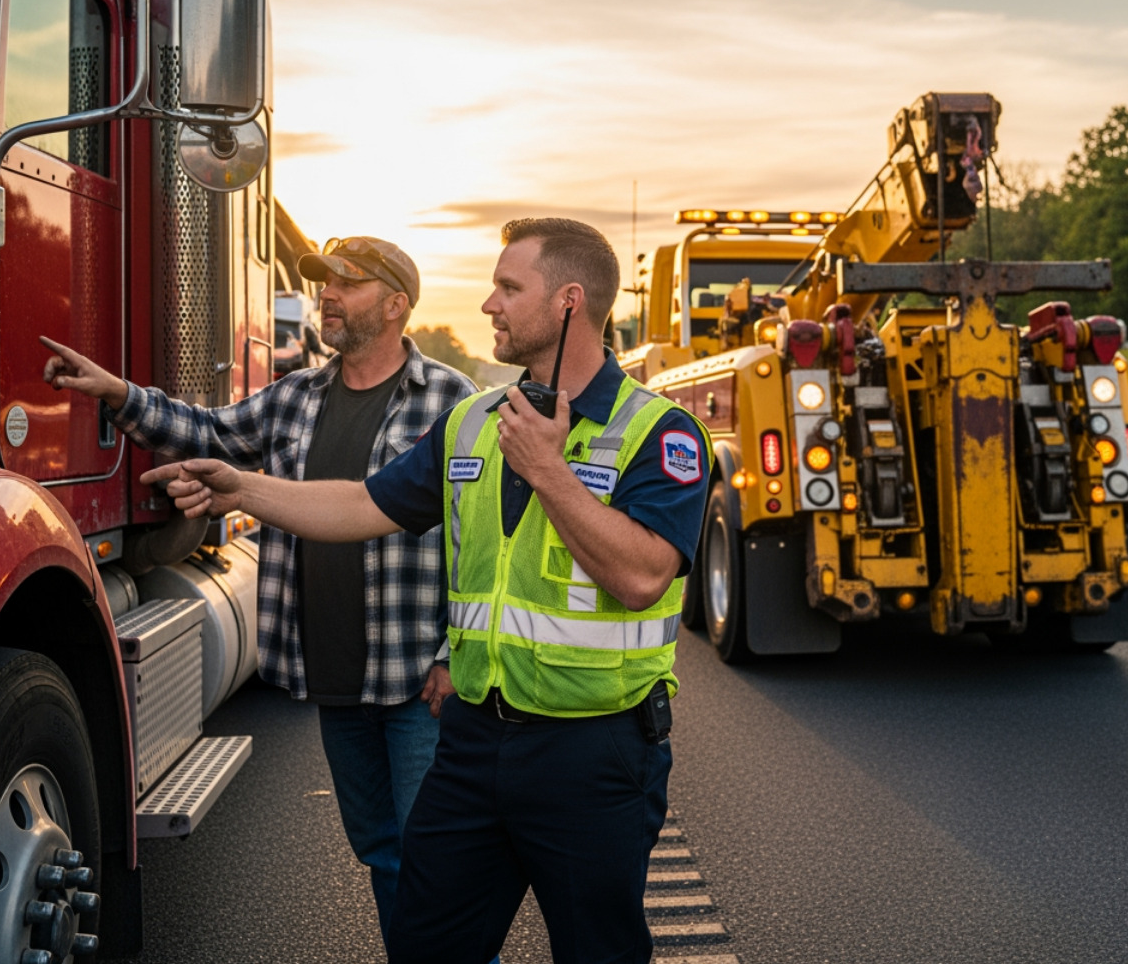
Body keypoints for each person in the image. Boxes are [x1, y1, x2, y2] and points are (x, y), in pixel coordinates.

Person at [142, 218, 712, 964]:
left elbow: (642, 577)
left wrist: (549, 472)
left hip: (594, 751)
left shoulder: (658, 432)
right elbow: (359, 505)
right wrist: (240, 485)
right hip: (475, 742)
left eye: (510, 288)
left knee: (596, 949)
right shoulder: (472, 422)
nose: (489, 305)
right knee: (425, 942)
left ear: (570, 302)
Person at [41, 236, 477, 939]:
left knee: (437, 859)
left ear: (396, 305)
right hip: (335, 676)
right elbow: (208, 431)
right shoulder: (297, 396)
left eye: (347, 282)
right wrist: (118, 394)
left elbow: (480, 540)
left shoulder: (452, 401)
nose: (326, 294)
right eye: (323, 282)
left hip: (416, 680)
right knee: (382, 854)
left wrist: (460, 652)